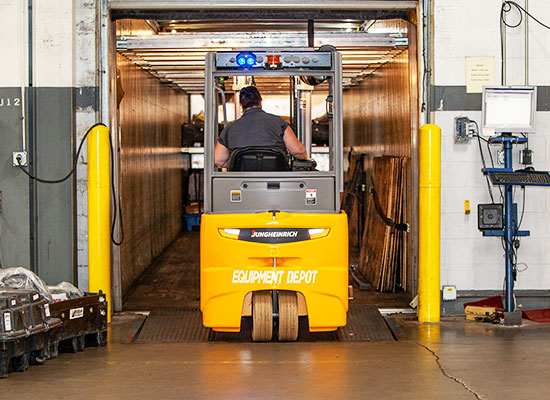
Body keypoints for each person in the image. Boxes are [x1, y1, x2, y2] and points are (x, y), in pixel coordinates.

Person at [214, 86, 311, 168]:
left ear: (241, 105)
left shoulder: (229, 129)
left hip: (242, 184)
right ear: (260, 101)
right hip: (276, 183)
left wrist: (239, 165)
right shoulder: (280, 123)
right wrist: (305, 156)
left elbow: (218, 160)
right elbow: (298, 151)